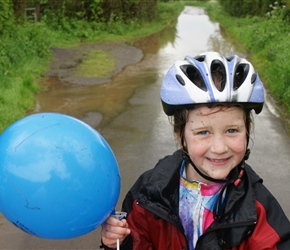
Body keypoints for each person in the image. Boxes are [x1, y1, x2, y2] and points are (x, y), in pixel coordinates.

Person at [100, 52, 290, 249]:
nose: (219, 148)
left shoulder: (258, 208)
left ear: (247, 131)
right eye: (203, 132)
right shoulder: (148, 193)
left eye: (232, 130)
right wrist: (118, 243)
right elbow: (137, 241)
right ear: (180, 136)